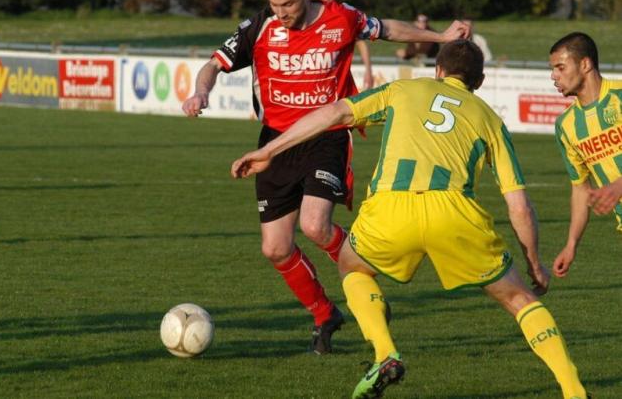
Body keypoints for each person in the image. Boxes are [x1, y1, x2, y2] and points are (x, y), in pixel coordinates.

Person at [232, 40, 588, 399]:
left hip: (391, 209)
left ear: (437, 71)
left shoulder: (404, 89)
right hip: (455, 214)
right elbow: (520, 206)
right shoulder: (490, 119)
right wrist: (534, 263)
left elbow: (335, 113)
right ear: (478, 82)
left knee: (352, 267)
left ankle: (385, 353)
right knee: (519, 299)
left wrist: (268, 150)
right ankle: (574, 391)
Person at [182, 0, 470, 354]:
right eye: (272, 4)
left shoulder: (342, 18)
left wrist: (439, 36)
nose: (279, 13)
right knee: (275, 249)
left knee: (316, 226)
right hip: (276, 144)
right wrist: (201, 92)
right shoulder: (260, 26)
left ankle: (367, 287)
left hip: (327, 136)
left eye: (286, 5)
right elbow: (213, 64)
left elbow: (387, 29)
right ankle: (324, 314)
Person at [550, 32, 622, 278]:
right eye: (553, 69)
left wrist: (619, 184)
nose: (554, 76)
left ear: (585, 64)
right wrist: (571, 245)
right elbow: (580, 189)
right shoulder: (566, 126)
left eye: (560, 67)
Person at [316, 0, 374, 90]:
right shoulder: (308, 16)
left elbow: (361, 43)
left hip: (337, 83)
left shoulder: (344, 17)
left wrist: (368, 70)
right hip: (312, 82)